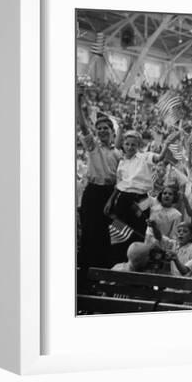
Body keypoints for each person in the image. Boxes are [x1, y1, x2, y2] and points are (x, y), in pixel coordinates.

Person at [104, 130, 179, 264]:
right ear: (123, 145)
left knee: (138, 230)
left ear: (138, 145)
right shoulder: (122, 162)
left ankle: (136, 262)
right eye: (127, 144)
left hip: (141, 198)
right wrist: (110, 200)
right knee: (119, 229)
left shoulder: (145, 157)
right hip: (123, 197)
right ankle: (118, 262)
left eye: (133, 144)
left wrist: (166, 144)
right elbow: (119, 184)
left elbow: (159, 158)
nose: (130, 147)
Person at [76, 93, 122, 271]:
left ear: (112, 132)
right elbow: (82, 125)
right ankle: (86, 270)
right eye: (99, 128)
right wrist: (78, 103)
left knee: (107, 233)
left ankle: (104, 271)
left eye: (106, 128)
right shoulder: (92, 147)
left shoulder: (118, 154)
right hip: (93, 193)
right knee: (89, 231)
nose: (102, 131)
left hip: (110, 194)